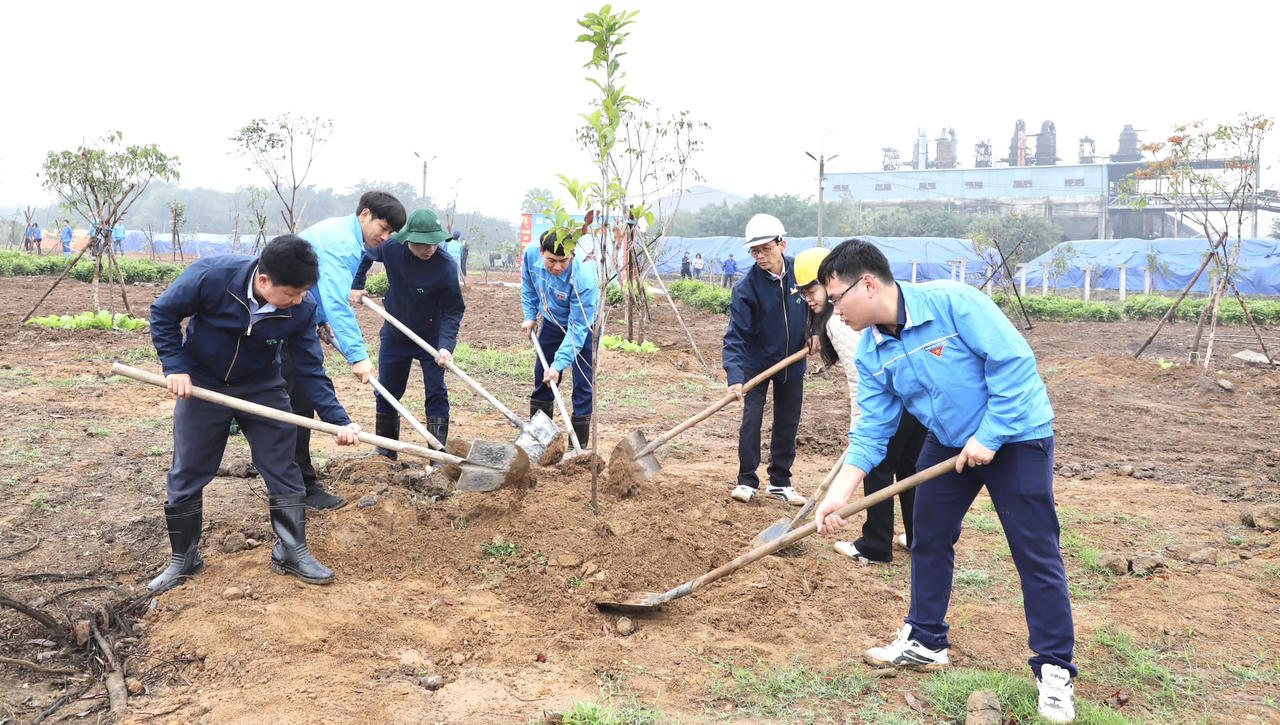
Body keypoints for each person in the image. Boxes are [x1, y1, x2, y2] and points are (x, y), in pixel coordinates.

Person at [812, 238, 1076, 723]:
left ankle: (1054, 668)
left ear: (867, 284)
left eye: (836, 298)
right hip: (951, 439)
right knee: (928, 534)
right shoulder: (872, 352)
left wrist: (990, 435)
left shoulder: (954, 303)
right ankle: (926, 640)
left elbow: (1014, 365)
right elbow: (871, 432)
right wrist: (837, 496)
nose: (833, 311)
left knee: (1034, 549)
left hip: (1016, 433)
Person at [147, 235, 362, 593]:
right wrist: (175, 365)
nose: (299, 300)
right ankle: (184, 558)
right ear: (264, 281)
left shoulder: (302, 307)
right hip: (204, 382)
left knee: (283, 465)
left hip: (262, 386)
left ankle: (291, 550)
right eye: (292, 294)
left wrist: (337, 419)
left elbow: (310, 370)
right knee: (189, 468)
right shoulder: (212, 276)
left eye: (304, 292)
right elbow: (163, 313)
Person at [794, 247, 925, 562]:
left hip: (890, 404)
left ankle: (876, 544)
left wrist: (860, 429)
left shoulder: (840, 322)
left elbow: (862, 378)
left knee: (878, 470)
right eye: (802, 294)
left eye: (812, 290)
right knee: (909, 469)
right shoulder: (842, 316)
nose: (808, 298)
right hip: (913, 401)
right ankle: (917, 536)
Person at [290, 190, 407, 509]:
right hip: (283, 321)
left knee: (299, 400)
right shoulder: (342, 242)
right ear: (365, 215)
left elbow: (318, 287)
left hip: (296, 317)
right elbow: (337, 300)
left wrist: (321, 320)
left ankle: (299, 482)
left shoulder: (342, 232)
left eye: (390, 234)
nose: (384, 237)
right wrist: (359, 356)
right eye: (382, 228)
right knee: (297, 402)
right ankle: (298, 488)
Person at [350, 209, 464, 456]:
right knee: (387, 390)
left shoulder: (445, 266)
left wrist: (445, 346)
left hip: (431, 339)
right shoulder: (391, 248)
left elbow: (453, 310)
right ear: (409, 238)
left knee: (436, 391)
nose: (430, 249)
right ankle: (386, 450)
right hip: (395, 333)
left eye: (435, 243)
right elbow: (365, 254)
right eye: (424, 244)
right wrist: (357, 285)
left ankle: (438, 456)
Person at [723, 214, 808, 506]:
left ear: (782, 244)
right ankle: (747, 479)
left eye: (766, 249)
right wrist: (735, 378)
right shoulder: (746, 288)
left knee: (788, 419)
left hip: (793, 359)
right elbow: (735, 337)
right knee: (752, 419)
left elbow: (824, 303)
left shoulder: (803, 272)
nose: (760, 256)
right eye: (755, 251)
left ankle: (780, 482)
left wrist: (817, 332)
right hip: (757, 362)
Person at [521, 229, 600, 446]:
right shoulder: (530, 255)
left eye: (563, 261)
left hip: (584, 324)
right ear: (541, 252)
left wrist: (558, 365)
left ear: (572, 255)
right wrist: (530, 316)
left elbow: (577, 328)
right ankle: (539, 442)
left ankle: (578, 447)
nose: (557, 267)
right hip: (552, 319)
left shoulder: (583, 278)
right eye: (551, 260)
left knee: (583, 383)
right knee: (543, 378)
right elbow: (528, 285)